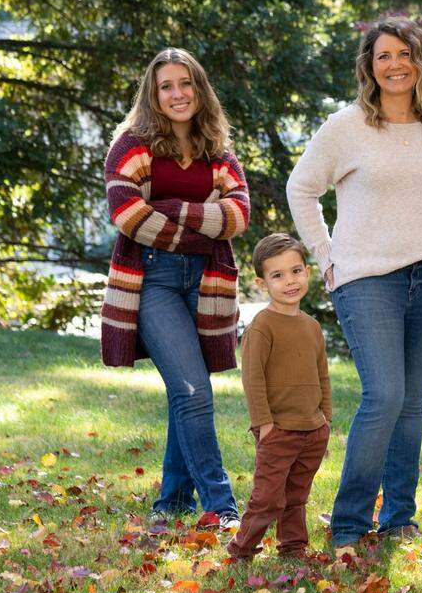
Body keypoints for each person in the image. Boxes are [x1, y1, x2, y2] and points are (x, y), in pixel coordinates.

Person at [287, 17, 422, 548]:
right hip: (366, 278)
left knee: (413, 401)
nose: (395, 65)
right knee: (385, 395)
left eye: (404, 54)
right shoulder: (347, 126)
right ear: (370, 69)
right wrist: (325, 255)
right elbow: (301, 189)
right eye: (383, 57)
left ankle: (399, 515)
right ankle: (349, 523)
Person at [101, 47, 248, 529]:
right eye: (166, 86)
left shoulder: (219, 152)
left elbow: (237, 216)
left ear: (199, 89)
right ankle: (221, 506)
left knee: (185, 392)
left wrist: (168, 207)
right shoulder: (131, 145)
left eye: (185, 83)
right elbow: (126, 215)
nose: (177, 93)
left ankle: (172, 501)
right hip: (153, 280)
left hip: (206, 282)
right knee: (192, 389)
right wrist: (200, 228)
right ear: (153, 94)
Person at [227, 234, 332, 561]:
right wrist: (265, 424)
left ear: (308, 273)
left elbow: (322, 375)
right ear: (262, 283)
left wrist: (325, 418)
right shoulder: (262, 326)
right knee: (268, 497)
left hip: (312, 430)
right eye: (278, 275)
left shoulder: (312, 326)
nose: (290, 281)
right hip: (279, 430)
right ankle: (242, 550)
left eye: (296, 271)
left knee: (297, 494)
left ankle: (293, 548)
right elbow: (252, 378)